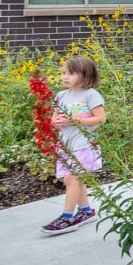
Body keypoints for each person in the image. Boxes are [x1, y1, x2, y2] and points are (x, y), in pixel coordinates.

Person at [41, 55, 106, 235]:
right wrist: (56, 121)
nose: (65, 77)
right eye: (63, 73)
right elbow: (54, 117)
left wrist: (74, 120)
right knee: (75, 179)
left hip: (84, 144)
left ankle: (67, 217)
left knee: (72, 179)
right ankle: (86, 212)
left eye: (70, 73)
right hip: (66, 144)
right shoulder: (61, 95)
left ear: (85, 75)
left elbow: (101, 118)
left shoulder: (91, 95)